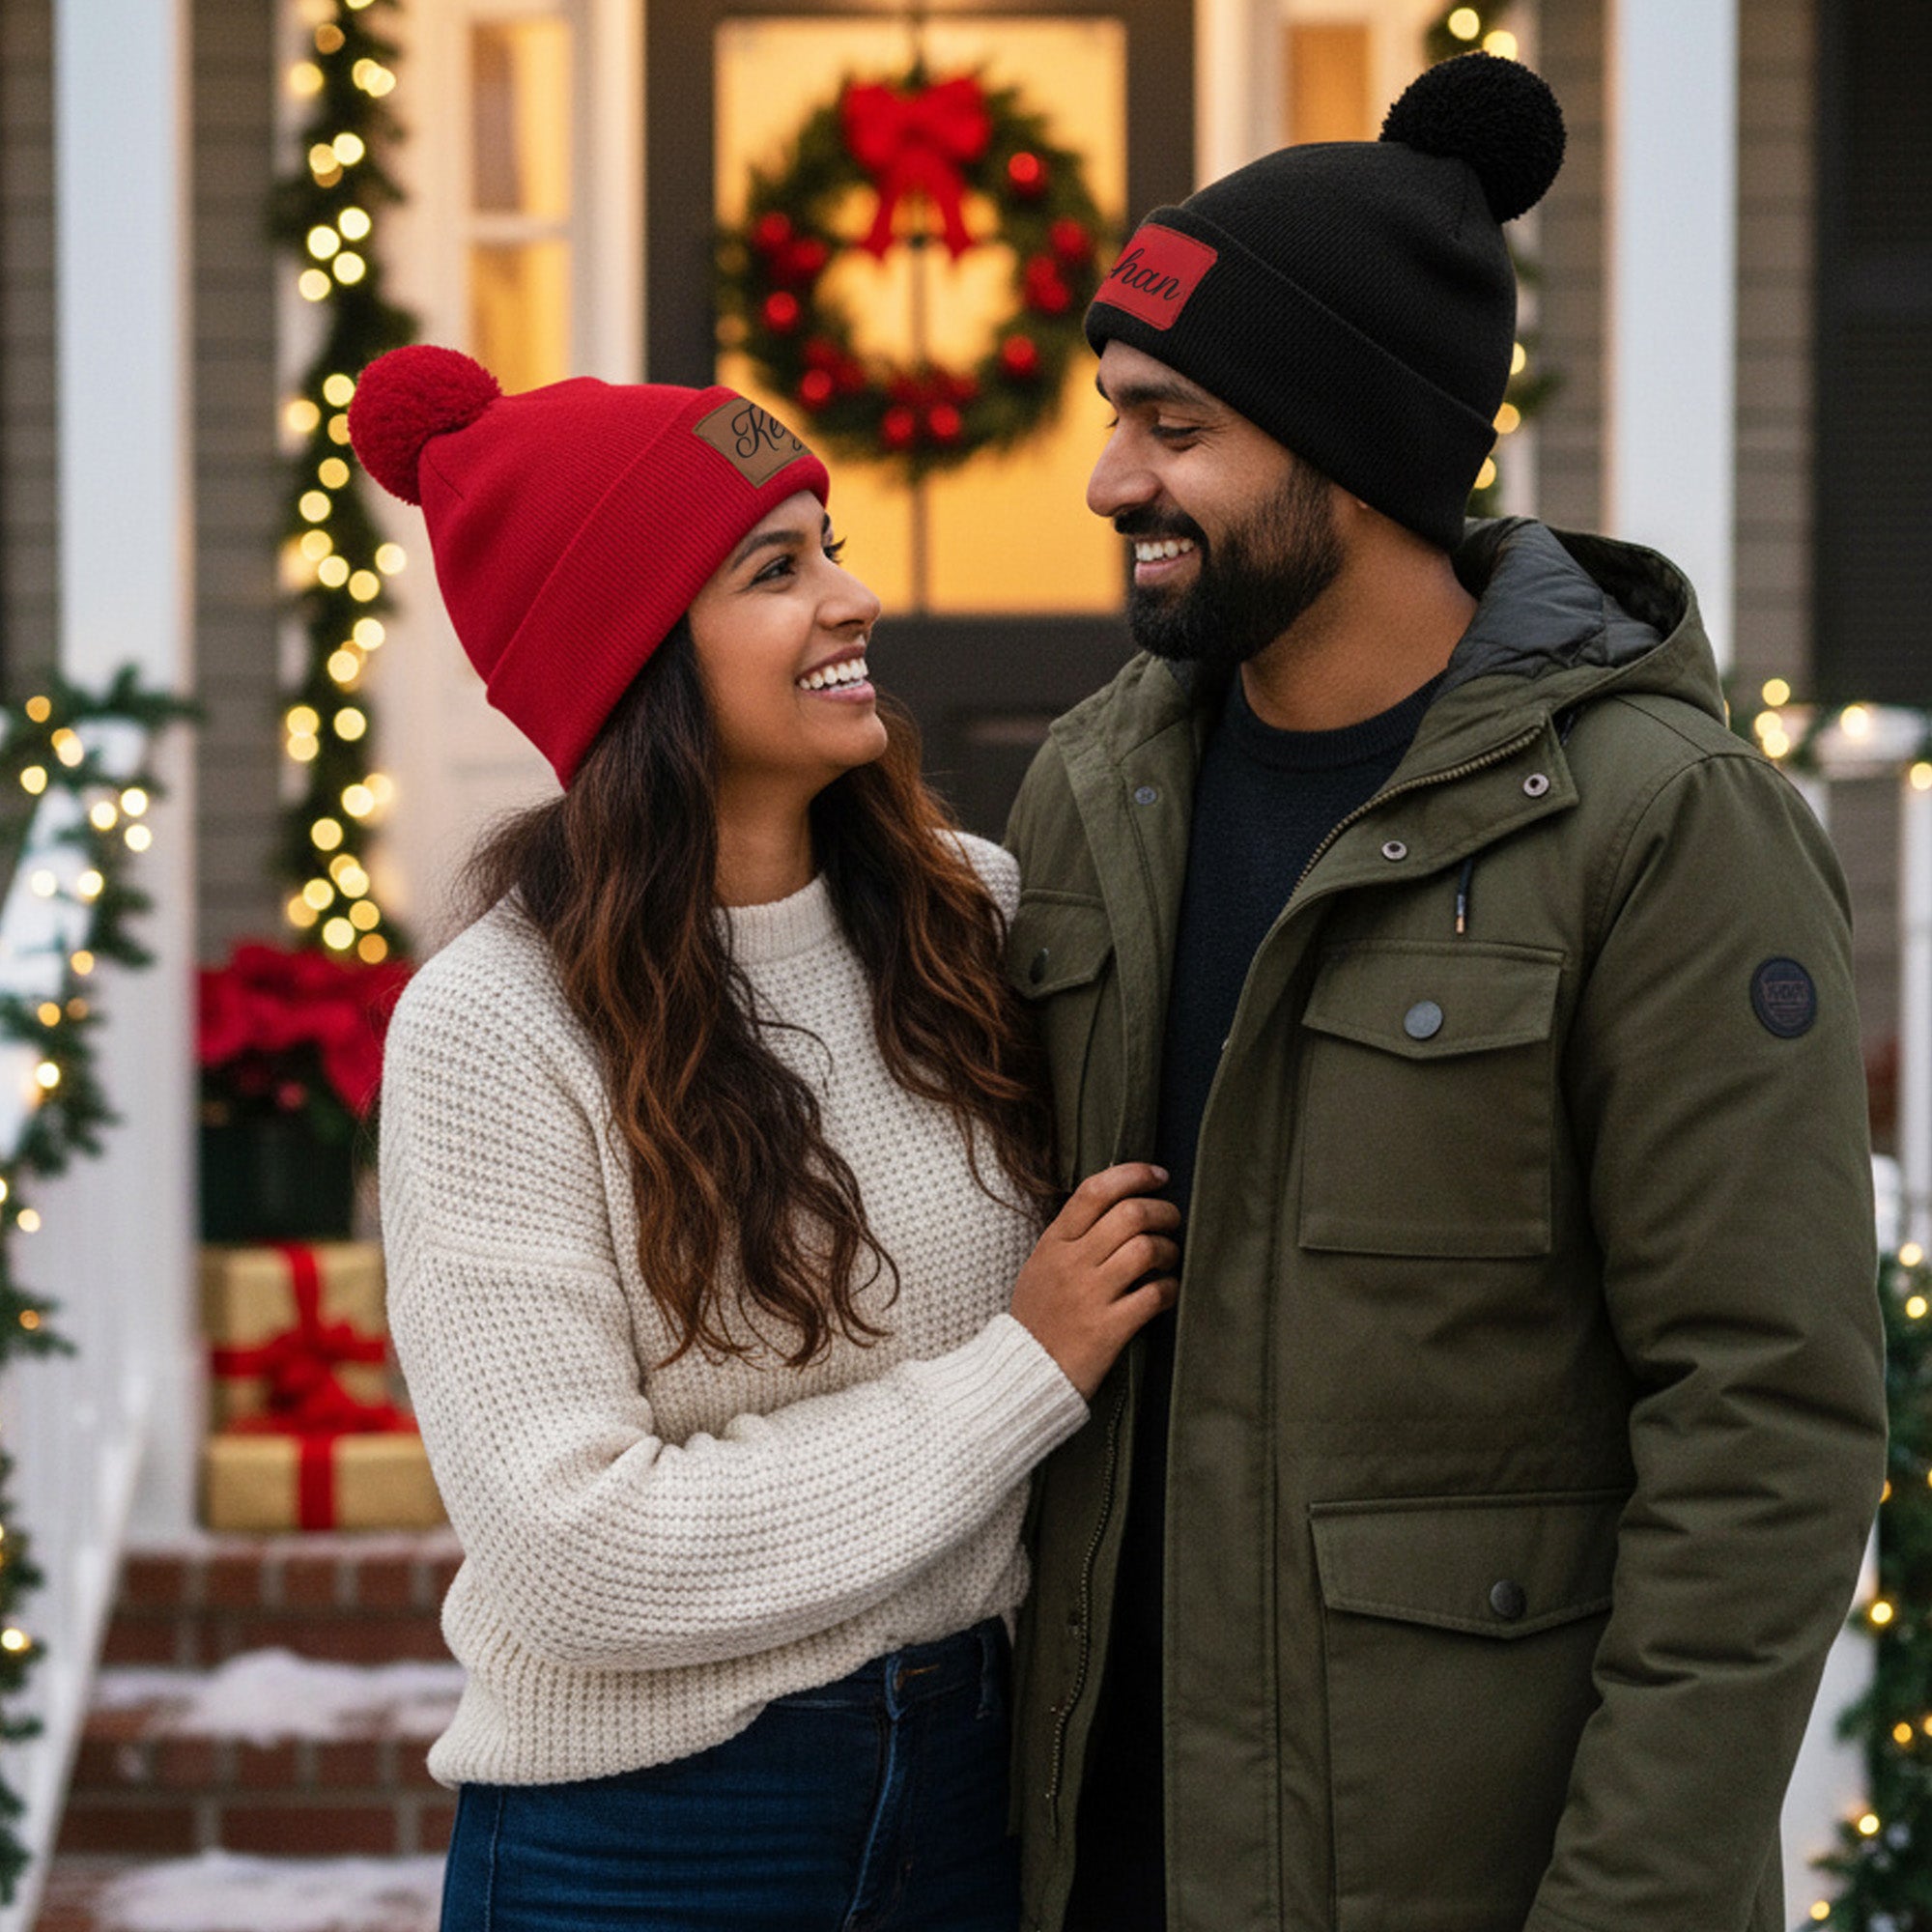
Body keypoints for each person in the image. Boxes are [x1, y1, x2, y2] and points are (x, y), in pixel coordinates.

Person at [1004, 51, 1888, 1932]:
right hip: (1099, 1873)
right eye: (1114, 416)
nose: (1109, 479)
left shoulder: (1660, 825)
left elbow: (1764, 1433)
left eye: (1173, 425)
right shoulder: (1092, 793)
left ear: (1347, 445)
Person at [349, 347, 1179, 1931]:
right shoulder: (496, 1028)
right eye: (775, 570)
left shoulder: (975, 919)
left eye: (831, 547)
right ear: (636, 654)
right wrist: (1022, 1372)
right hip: (647, 1841)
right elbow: (573, 1556)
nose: (851, 600)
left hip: (978, 1788)